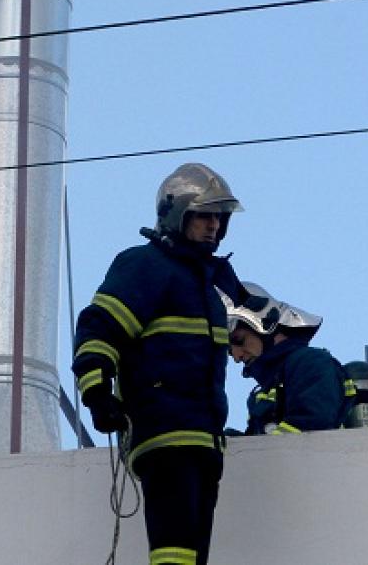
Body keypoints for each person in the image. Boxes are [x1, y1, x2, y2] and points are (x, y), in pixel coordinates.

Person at [72, 163, 247, 565]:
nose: (214, 228)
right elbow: (99, 328)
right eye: (205, 217)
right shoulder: (146, 265)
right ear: (176, 214)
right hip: (165, 430)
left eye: (219, 220)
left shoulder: (206, 284)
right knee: (174, 547)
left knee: (190, 551)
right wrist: (97, 392)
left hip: (204, 438)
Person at [224, 283, 354, 435]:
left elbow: (309, 432)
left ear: (265, 323)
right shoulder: (262, 392)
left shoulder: (310, 362)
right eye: (229, 352)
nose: (237, 357)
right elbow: (258, 446)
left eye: (239, 340)